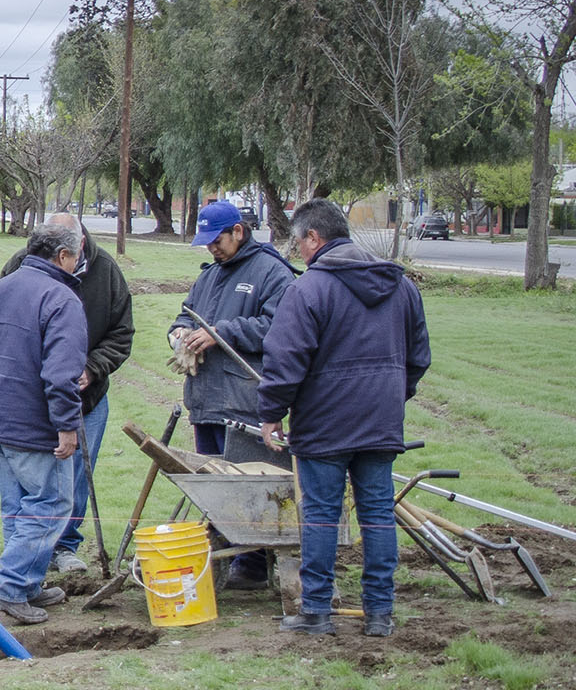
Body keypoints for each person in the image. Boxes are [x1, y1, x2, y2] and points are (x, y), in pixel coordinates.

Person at [256, 199, 429, 639]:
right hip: (380, 423)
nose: (299, 252)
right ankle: (379, 614)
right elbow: (419, 357)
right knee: (376, 515)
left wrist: (272, 413)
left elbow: (284, 359)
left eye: (300, 243)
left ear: (314, 238)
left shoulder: (308, 290)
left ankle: (315, 612)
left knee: (320, 517)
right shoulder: (400, 286)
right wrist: (394, 396)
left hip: (325, 425)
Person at [169, 198, 297, 588]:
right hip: (204, 400)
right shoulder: (209, 276)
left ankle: (253, 564)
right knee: (212, 483)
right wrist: (177, 335)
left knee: (246, 483)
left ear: (238, 231)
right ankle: (223, 551)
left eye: (216, 240)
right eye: (205, 241)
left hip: (244, 398)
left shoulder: (273, 273)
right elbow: (186, 314)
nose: (211, 247)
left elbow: (281, 328)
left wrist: (220, 333)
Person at [0, 219, 87, 625]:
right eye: (77, 255)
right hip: (35, 424)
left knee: (17, 507)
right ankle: (9, 587)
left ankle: (28, 583)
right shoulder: (61, 299)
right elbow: (61, 374)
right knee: (51, 504)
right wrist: (67, 426)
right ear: (63, 256)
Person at [0, 213, 131, 575]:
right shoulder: (21, 268)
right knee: (35, 485)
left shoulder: (106, 272)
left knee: (75, 479)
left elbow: (121, 333)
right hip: (36, 399)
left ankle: (62, 547)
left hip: (88, 397)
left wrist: (92, 368)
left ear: (76, 246)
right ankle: (22, 566)